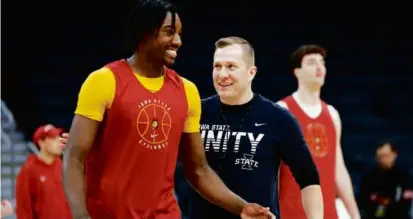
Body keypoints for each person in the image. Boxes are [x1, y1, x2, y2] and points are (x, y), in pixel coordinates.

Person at [63, 1, 273, 219]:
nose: (178, 41)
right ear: (145, 33)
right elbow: (74, 157)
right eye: (169, 32)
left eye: (179, 34)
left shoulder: (187, 91)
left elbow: (198, 169)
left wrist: (241, 207)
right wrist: (81, 215)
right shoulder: (104, 81)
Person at [174, 36, 324, 219]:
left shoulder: (278, 119)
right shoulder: (195, 112)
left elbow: (308, 178)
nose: (222, 74)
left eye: (231, 66)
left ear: (251, 72)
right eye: (217, 66)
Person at [277, 44, 361, 219]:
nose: (319, 67)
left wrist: (355, 215)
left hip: (327, 213)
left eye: (322, 62)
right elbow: (271, 169)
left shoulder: (332, 115)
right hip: (291, 213)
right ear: (297, 71)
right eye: (311, 62)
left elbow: (339, 170)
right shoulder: (282, 110)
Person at [16, 124, 72, 219]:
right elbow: (24, 208)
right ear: (41, 142)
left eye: (59, 137)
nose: (59, 141)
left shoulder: (64, 167)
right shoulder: (28, 170)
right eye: (53, 138)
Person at [359, 140, 413, 219]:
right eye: (380, 157)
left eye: (386, 156)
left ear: (394, 154)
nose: (383, 160)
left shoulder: (404, 175)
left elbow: (405, 199)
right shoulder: (369, 176)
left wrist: (387, 201)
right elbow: (364, 199)